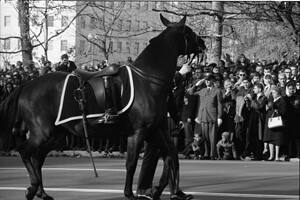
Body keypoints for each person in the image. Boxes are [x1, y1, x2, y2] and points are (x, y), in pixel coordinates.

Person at [194, 74, 223, 160]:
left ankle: (212, 154)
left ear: (212, 81)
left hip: (212, 116)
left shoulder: (217, 91)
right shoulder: (202, 90)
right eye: (206, 80)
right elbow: (190, 92)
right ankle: (206, 153)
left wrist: (219, 117)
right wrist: (197, 84)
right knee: (205, 137)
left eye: (208, 80)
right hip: (203, 115)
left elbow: (219, 105)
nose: (207, 82)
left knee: (212, 137)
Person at [265, 86, 288, 161]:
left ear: (278, 93)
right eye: (272, 92)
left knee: (277, 139)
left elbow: (284, 111)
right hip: (270, 121)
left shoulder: (282, 100)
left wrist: (277, 110)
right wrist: (268, 107)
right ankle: (271, 156)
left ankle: (277, 156)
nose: (273, 94)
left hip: (277, 122)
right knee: (270, 139)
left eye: (274, 92)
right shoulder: (271, 100)